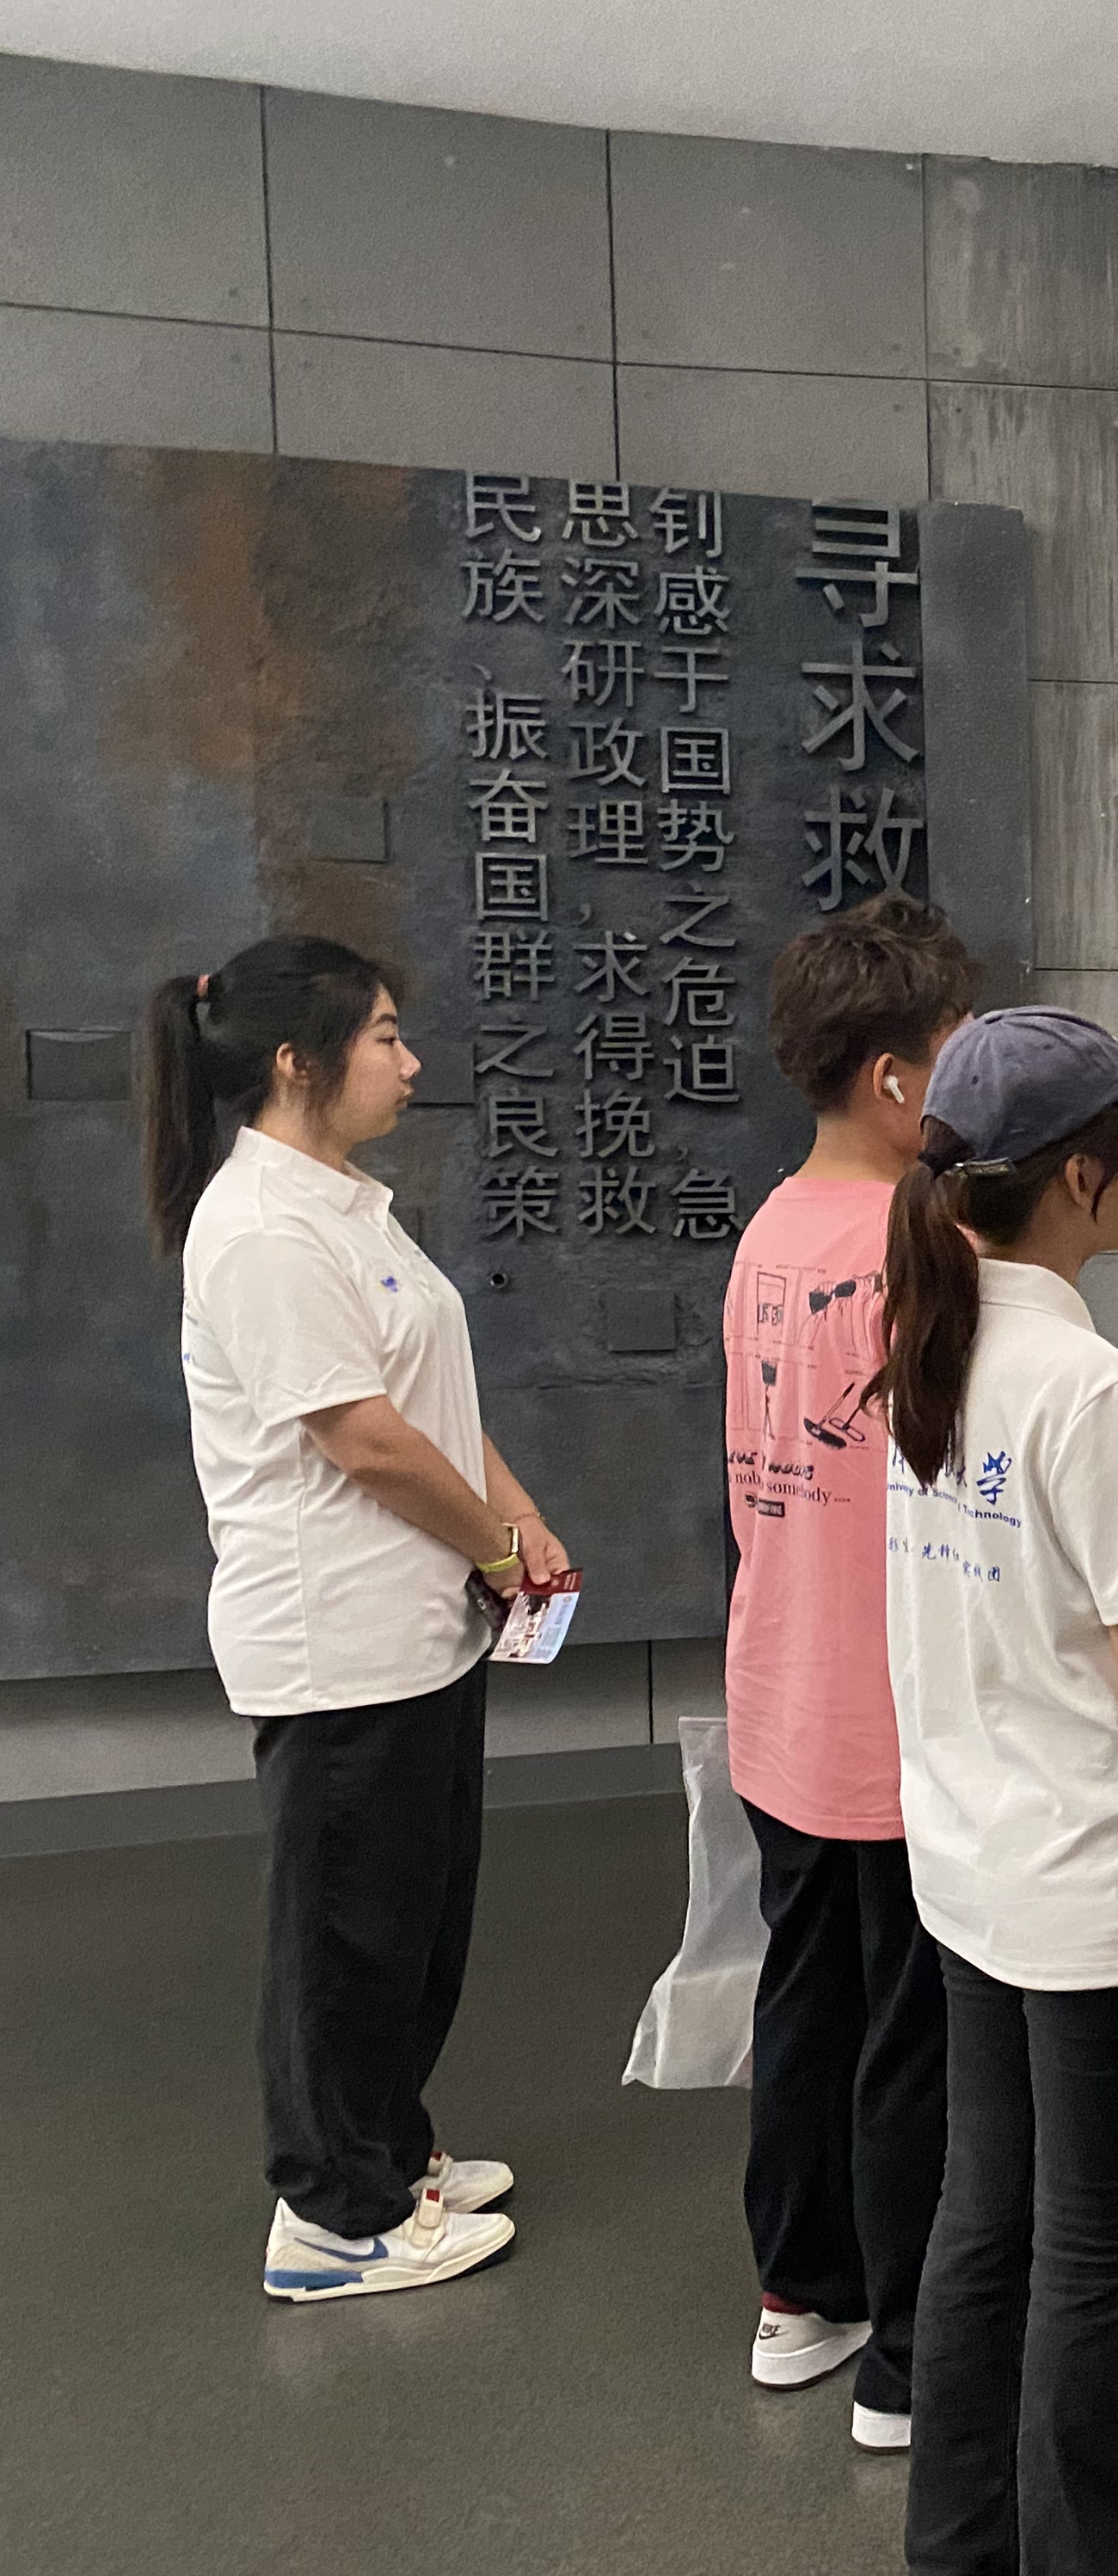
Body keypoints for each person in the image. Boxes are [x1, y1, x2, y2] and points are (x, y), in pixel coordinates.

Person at [877, 1008, 1118, 2576]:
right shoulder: (1087, 1386)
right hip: (1091, 1880)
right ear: (1082, 1176)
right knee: (1093, 2249)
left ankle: (962, 2540)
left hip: (969, 1861)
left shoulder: (931, 1343)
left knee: (985, 2214)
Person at [140, 935, 571, 2300]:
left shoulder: (345, 1204)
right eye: (385, 1034)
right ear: (295, 1061)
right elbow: (361, 1438)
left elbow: (426, 1402)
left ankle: (389, 2151)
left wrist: (519, 1523)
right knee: (343, 1941)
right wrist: (496, 1545)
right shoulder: (262, 1228)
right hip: (337, 1642)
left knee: (414, 1925)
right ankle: (330, 2215)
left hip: (420, 1624)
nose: (409, 1059)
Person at [726, 893, 980, 2445]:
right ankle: (907, 2358)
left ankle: (800, 2293)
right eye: (956, 1054)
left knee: (808, 2004)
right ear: (895, 1078)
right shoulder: (920, 1242)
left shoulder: (769, 1229)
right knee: (912, 2034)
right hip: (892, 1713)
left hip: (781, 1696)